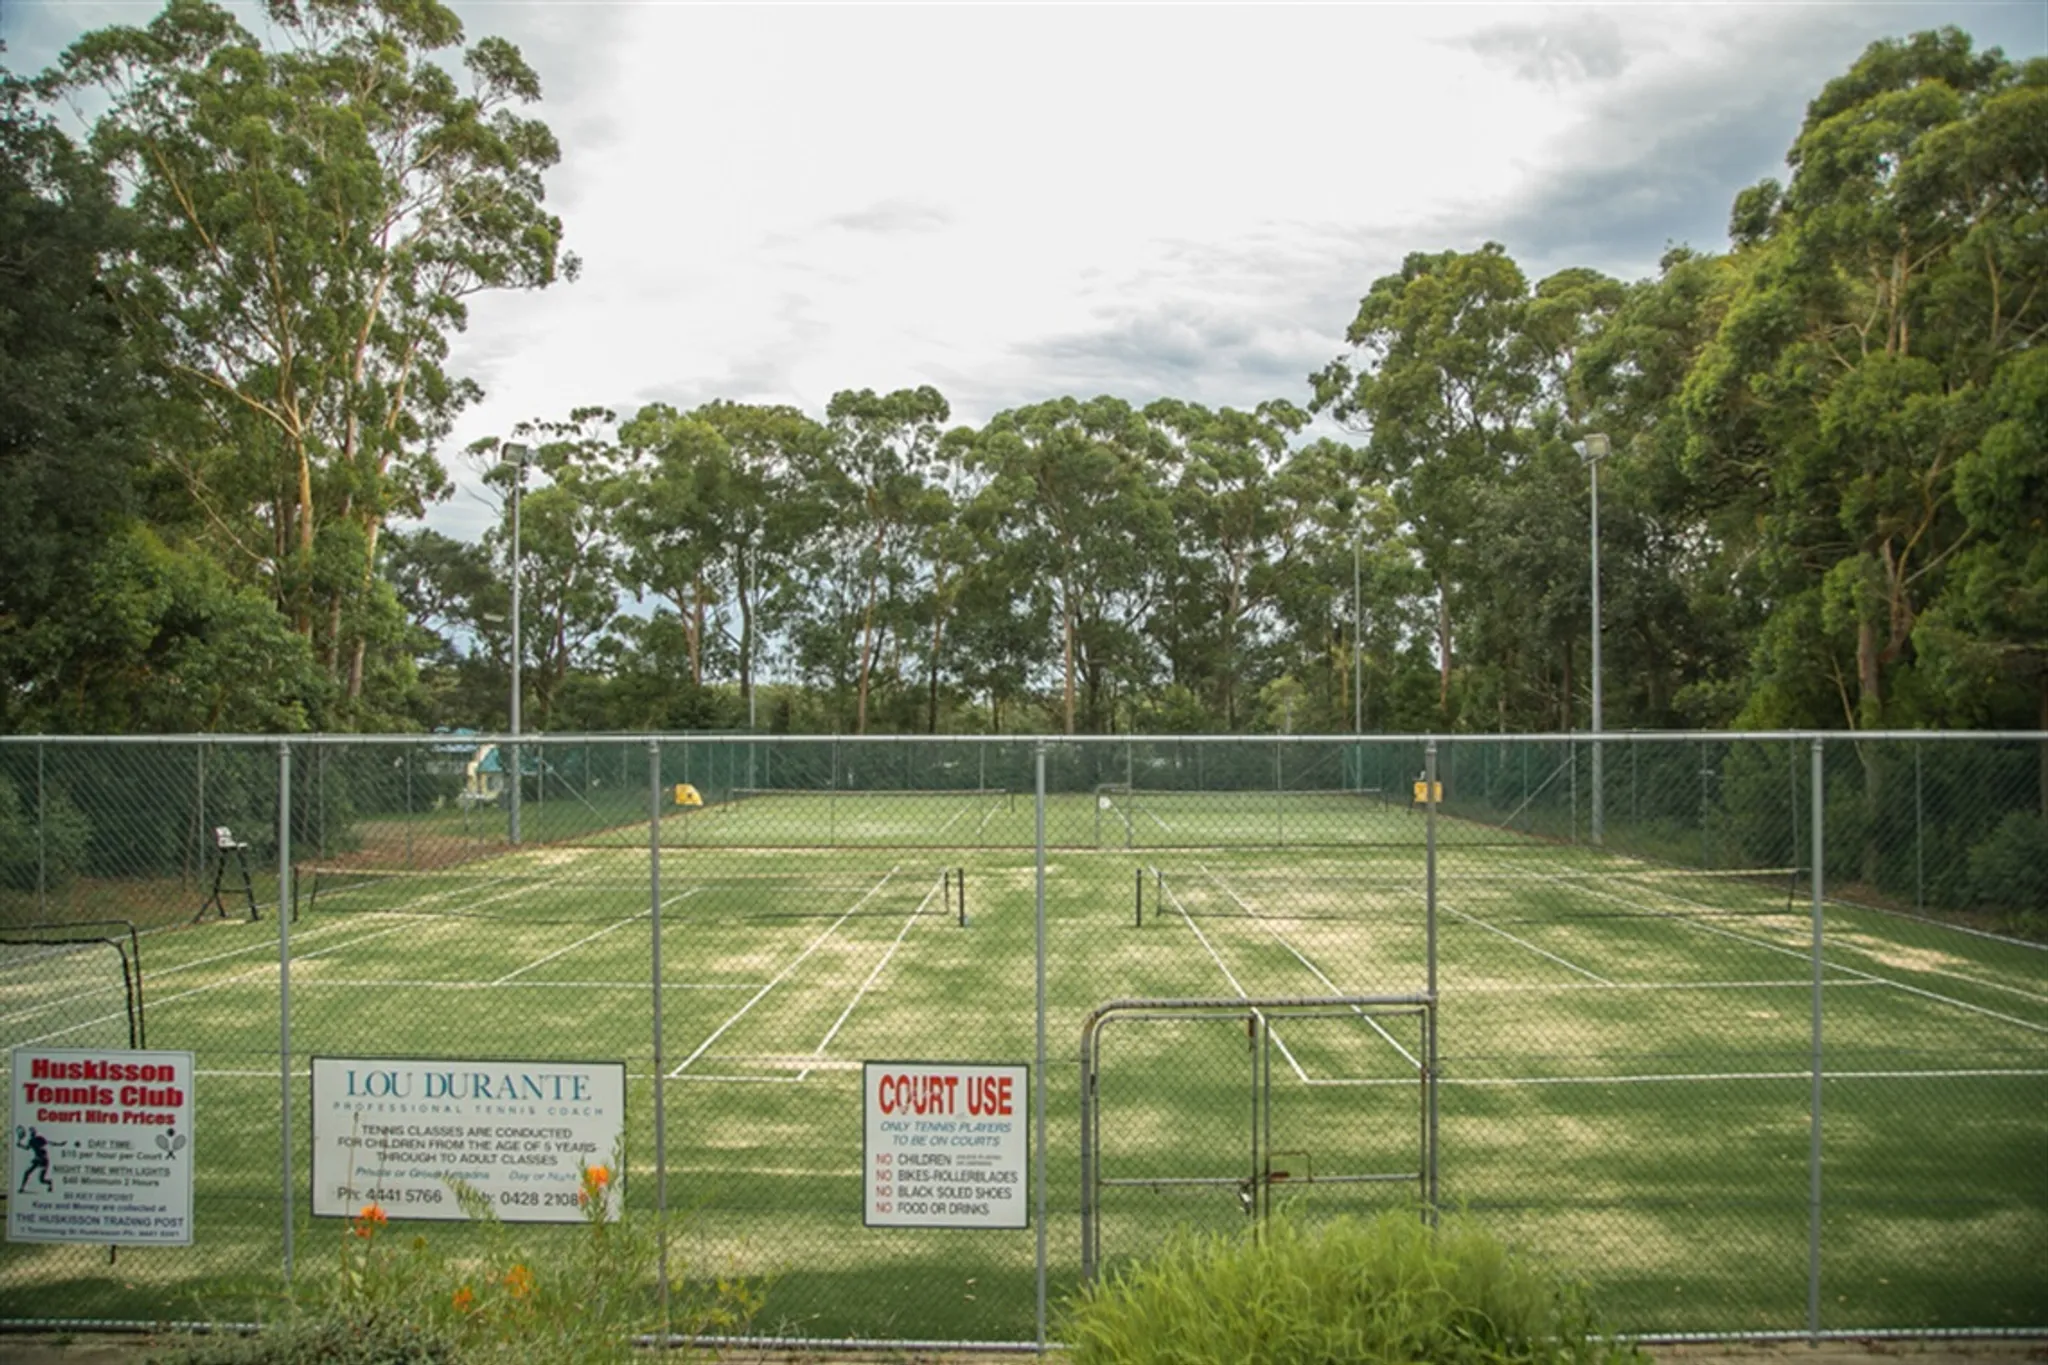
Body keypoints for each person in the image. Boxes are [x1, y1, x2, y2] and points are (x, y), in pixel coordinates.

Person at [16, 1126, 64, 1193]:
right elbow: (27, 1148)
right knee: (27, 1172)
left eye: (33, 1132)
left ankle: (49, 1183)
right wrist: (20, 1145)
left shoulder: (40, 1139)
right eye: (31, 1132)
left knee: (41, 1180)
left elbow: (50, 1142)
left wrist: (59, 1144)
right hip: (37, 1160)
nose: (32, 1133)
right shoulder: (31, 1141)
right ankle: (22, 1188)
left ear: (35, 1132)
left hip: (44, 1160)